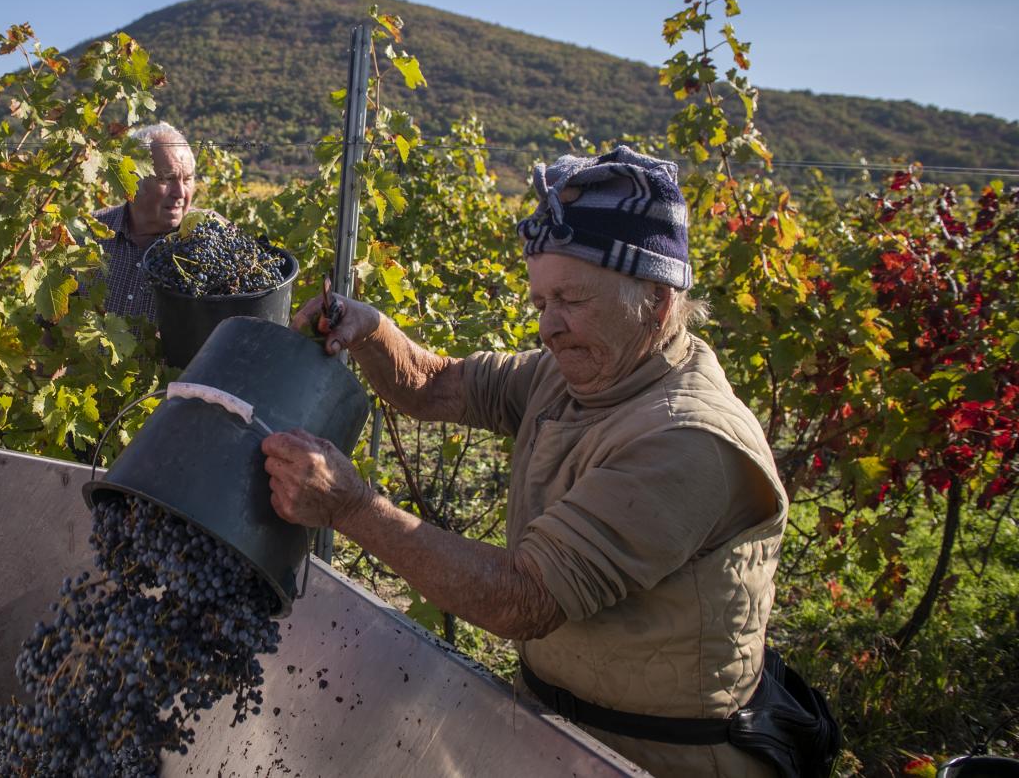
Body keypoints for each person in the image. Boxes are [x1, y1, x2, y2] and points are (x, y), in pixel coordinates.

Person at [262, 147, 789, 777]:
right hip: (561, 732)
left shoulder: (688, 438)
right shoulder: (578, 370)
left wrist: (352, 508)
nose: (548, 328)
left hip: (657, 758)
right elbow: (435, 384)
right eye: (541, 303)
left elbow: (523, 599)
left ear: (658, 299)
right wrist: (371, 330)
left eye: (570, 299)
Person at [89, 122, 197, 322]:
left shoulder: (210, 239)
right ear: (132, 179)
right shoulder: (87, 234)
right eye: (167, 179)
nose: (180, 193)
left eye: (187, 179)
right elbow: (51, 329)